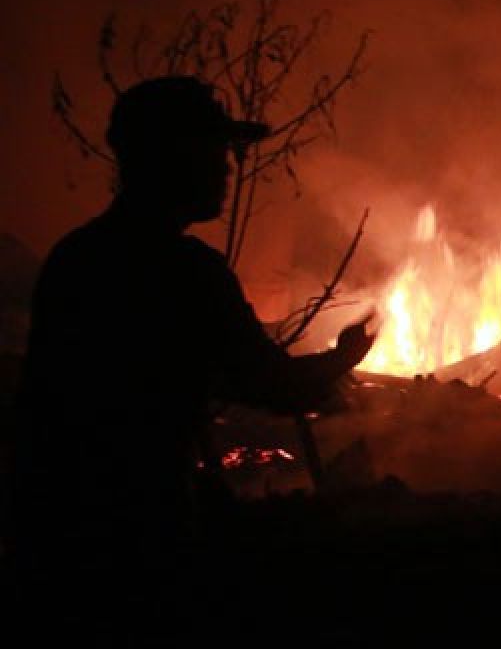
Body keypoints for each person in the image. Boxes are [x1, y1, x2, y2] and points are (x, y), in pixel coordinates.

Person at [8, 75, 375, 635]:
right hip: (136, 537)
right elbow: (270, 383)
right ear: (169, 158)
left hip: (53, 528)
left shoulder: (77, 256)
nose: (227, 168)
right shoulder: (183, 272)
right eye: (213, 150)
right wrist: (341, 359)